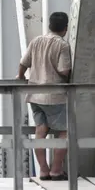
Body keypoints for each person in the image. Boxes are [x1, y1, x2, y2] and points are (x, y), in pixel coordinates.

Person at [17, 12, 72, 181]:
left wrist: (20, 78)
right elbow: (64, 71)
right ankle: (56, 170)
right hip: (54, 97)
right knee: (64, 132)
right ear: (65, 28)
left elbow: (23, 63)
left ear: (49, 25)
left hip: (34, 96)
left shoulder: (36, 41)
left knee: (40, 130)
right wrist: (68, 78)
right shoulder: (62, 45)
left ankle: (43, 170)